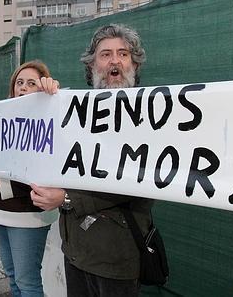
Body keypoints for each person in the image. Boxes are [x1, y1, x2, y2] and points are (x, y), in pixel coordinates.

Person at [30, 24, 154, 297]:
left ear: (134, 63)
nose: (115, 61)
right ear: (92, 65)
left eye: (123, 54)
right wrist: (41, 101)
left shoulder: (149, 114)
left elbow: (135, 181)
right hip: (75, 251)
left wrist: (65, 199)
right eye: (105, 54)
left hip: (116, 258)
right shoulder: (73, 109)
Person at [0, 60, 60, 297]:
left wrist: (3, 183)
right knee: (13, 277)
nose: (23, 87)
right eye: (19, 82)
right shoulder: (0, 116)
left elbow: (43, 172)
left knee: (28, 283)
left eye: (31, 83)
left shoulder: (48, 118)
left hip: (27, 215)